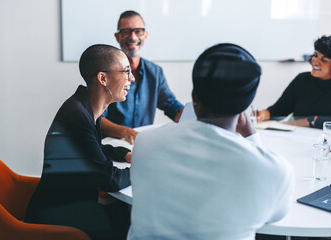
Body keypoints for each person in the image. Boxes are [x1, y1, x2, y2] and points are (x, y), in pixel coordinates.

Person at [127, 43, 294, 240]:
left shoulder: (146, 143)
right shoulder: (275, 170)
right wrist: (251, 136)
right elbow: (273, 216)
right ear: (247, 106)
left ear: (194, 97)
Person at [25, 44, 134, 240]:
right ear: (103, 78)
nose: (131, 78)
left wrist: (125, 154)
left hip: (70, 202)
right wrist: (142, 169)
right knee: (127, 220)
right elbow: (110, 180)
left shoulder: (86, 106)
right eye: (126, 72)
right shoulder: (77, 115)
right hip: (58, 216)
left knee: (125, 216)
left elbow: (93, 149)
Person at [101, 10, 184, 144]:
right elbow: (96, 118)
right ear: (117, 37)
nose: (133, 37)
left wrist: (194, 120)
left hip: (142, 146)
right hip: (111, 147)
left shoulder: (155, 72)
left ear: (145, 35)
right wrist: (127, 132)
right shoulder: (106, 73)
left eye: (138, 31)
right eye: (126, 32)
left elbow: (172, 106)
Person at [257, 35, 331, 129]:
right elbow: (279, 109)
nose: (315, 62)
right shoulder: (302, 79)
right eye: (315, 55)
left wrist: (310, 121)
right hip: (298, 137)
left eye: (324, 60)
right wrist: (264, 114)